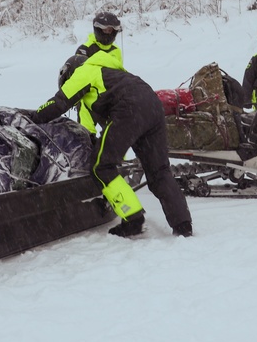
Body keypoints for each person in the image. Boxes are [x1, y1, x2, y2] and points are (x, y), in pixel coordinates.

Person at [29, 51, 193, 238]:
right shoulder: (112, 75)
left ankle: (132, 218)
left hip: (130, 109)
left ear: (69, 74)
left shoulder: (85, 71)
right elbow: (104, 126)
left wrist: (33, 118)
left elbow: (59, 103)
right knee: (159, 171)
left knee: (102, 167)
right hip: (153, 106)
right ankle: (183, 224)